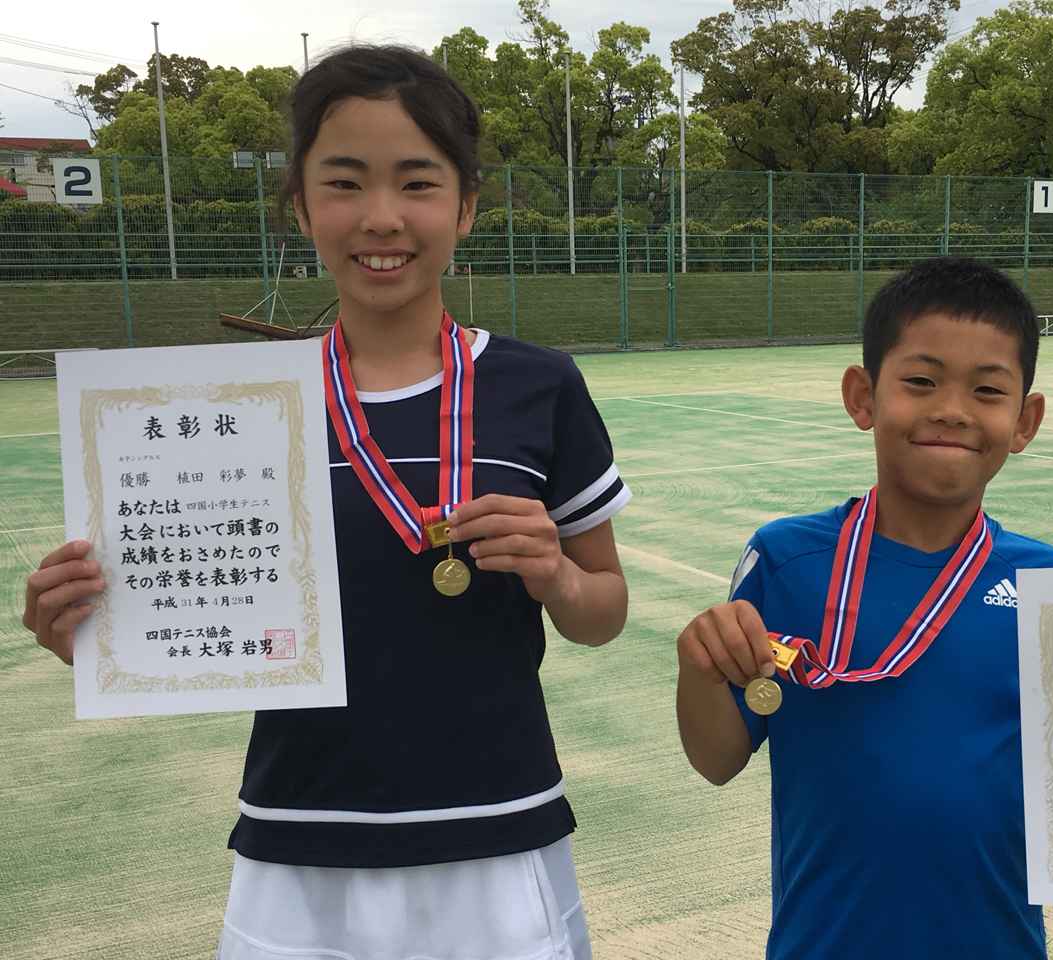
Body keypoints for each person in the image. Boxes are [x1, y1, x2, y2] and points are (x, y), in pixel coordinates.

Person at [24, 45, 631, 960]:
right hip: (299, 838)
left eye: (417, 183)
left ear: (465, 204)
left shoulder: (536, 386)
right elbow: (182, 616)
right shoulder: (234, 409)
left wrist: (553, 573)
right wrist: (89, 628)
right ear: (302, 206)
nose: (381, 218)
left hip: (497, 828)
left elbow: (604, 611)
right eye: (344, 183)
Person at [674, 257, 1053, 960]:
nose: (953, 410)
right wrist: (700, 667)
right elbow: (716, 758)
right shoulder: (787, 563)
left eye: (987, 390)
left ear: (1024, 421)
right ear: (862, 396)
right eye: (921, 382)